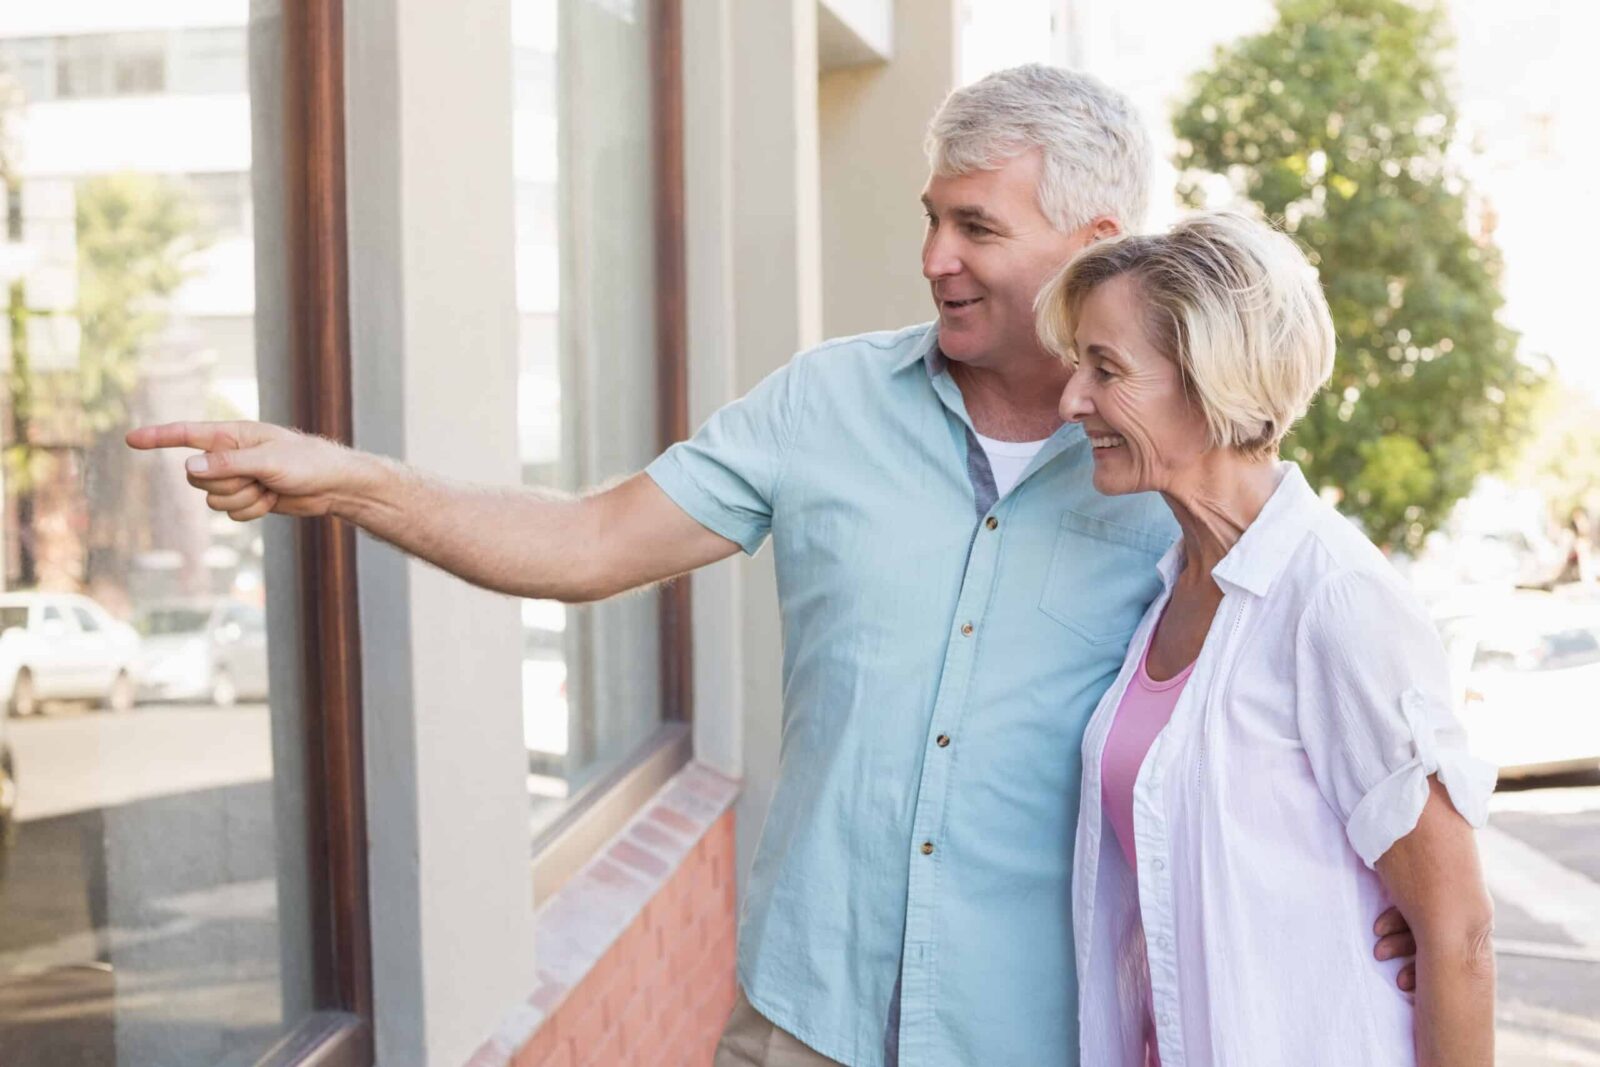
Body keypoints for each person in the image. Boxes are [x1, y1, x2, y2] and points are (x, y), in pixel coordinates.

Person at [127, 67, 1415, 1066]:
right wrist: (349, 477)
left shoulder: (1166, 468)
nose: (931, 259)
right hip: (801, 1019)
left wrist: (1392, 911)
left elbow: (1293, 728)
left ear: (1092, 237)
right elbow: (587, 540)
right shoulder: (825, 401)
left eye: (975, 225)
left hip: (1048, 1033)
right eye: (929, 219)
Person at [1037, 211, 1496, 1066]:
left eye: (1106, 369)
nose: (1073, 400)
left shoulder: (1334, 595)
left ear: (1210, 381)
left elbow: (1457, 929)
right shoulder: (1171, 588)